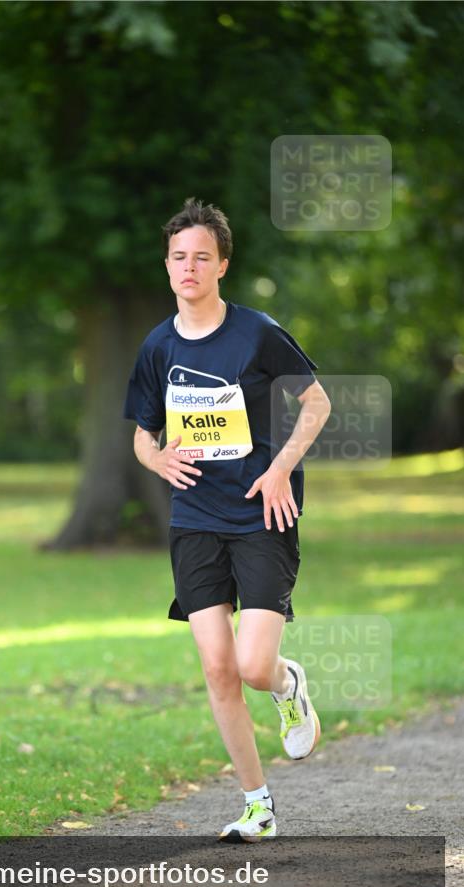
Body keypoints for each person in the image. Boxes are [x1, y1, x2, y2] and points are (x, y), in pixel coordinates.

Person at [123, 197, 332, 842]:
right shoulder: (157, 346)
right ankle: (257, 805)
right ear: (167, 268)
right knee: (217, 667)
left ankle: (288, 681)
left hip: (262, 511)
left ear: (222, 266)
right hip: (194, 519)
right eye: (179, 258)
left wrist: (279, 469)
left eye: (201, 258)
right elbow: (141, 436)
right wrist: (159, 461)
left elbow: (317, 403)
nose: (189, 268)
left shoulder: (256, 332)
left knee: (251, 664)